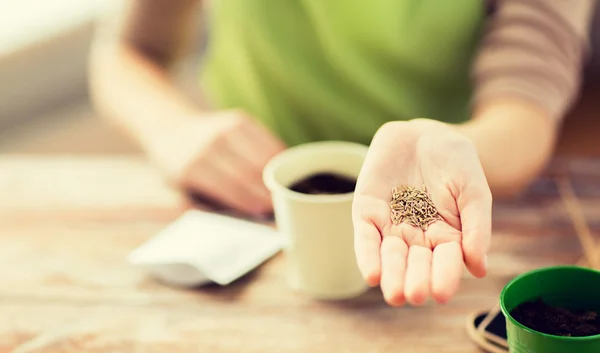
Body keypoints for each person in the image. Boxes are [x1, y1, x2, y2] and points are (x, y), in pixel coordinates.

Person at [89, 0, 596, 307]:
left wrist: (454, 147)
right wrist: (171, 129)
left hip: (441, 194)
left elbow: (525, 115)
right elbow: (124, 51)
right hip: (247, 202)